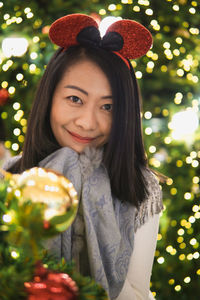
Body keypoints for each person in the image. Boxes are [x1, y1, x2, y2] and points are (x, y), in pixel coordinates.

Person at [4, 14, 163, 300]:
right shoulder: (10, 178)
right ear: (50, 97)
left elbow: (139, 291)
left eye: (108, 107)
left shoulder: (143, 188)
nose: (88, 123)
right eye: (75, 99)